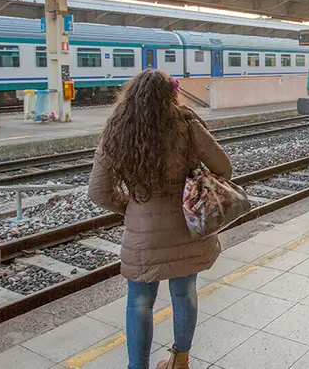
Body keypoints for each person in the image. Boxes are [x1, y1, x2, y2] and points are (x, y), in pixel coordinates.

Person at [89, 70, 232, 369]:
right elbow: (223, 168)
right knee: (184, 293)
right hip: (187, 227)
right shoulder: (187, 124)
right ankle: (180, 359)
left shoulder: (117, 131)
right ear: (171, 95)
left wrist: (129, 206)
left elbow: (99, 192)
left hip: (143, 233)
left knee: (140, 302)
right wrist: (193, 188)